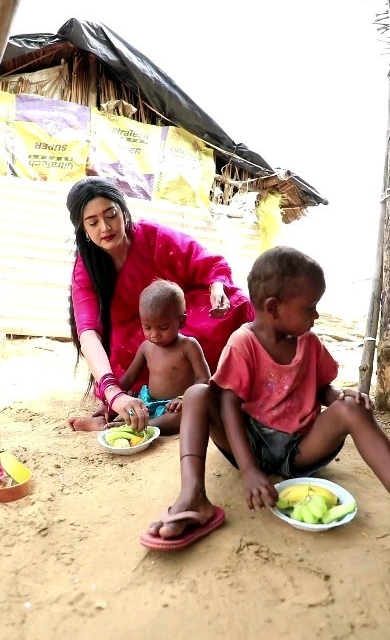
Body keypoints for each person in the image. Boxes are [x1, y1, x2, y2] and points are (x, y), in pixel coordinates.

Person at [141, 246, 390, 551]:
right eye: (310, 306)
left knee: (352, 408)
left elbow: (323, 386)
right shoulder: (243, 343)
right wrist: (248, 469)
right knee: (197, 393)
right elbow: (229, 404)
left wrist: (340, 396)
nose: (316, 314)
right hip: (248, 443)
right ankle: (193, 495)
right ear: (273, 308)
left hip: (300, 448)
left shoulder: (309, 343)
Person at [66, 176, 254, 433]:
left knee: (236, 304)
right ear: (83, 229)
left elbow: (207, 263)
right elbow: (88, 333)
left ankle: (220, 386)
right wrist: (113, 392)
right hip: (133, 344)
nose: (105, 227)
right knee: (146, 352)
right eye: (93, 222)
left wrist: (217, 289)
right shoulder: (85, 270)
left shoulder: (153, 236)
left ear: (123, 210)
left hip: (178, 319)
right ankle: (114, 414)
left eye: (111, 214)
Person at [89, 279, 211, 434]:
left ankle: (145, 426)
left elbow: (204, 379)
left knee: (185, 416)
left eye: (163, 327)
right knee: (130, 404)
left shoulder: (188, 346)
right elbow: (128, 379)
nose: (154, 335)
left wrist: (183, 398)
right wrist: (110, 401)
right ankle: (102, 420)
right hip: (146, 402)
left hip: (173, 407)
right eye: (147, 327)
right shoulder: (146, 347)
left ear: (181, 321)